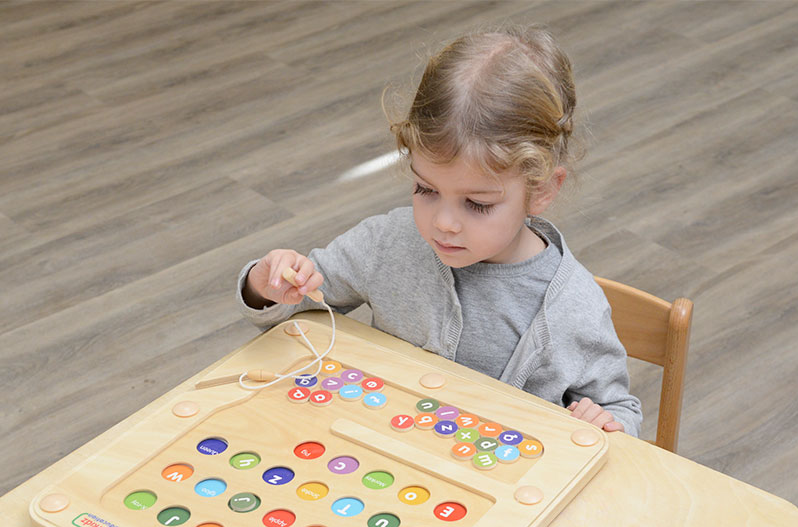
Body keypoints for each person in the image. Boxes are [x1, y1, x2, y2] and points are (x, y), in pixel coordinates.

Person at [237, 25, 642, 436]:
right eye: (426, 189)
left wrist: (607, 425)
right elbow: (297, 309)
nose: (443, 223)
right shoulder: (386, 243)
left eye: (477, 203)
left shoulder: (576, 307)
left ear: (541, 190)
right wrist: (266, 282)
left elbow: (619, 410)